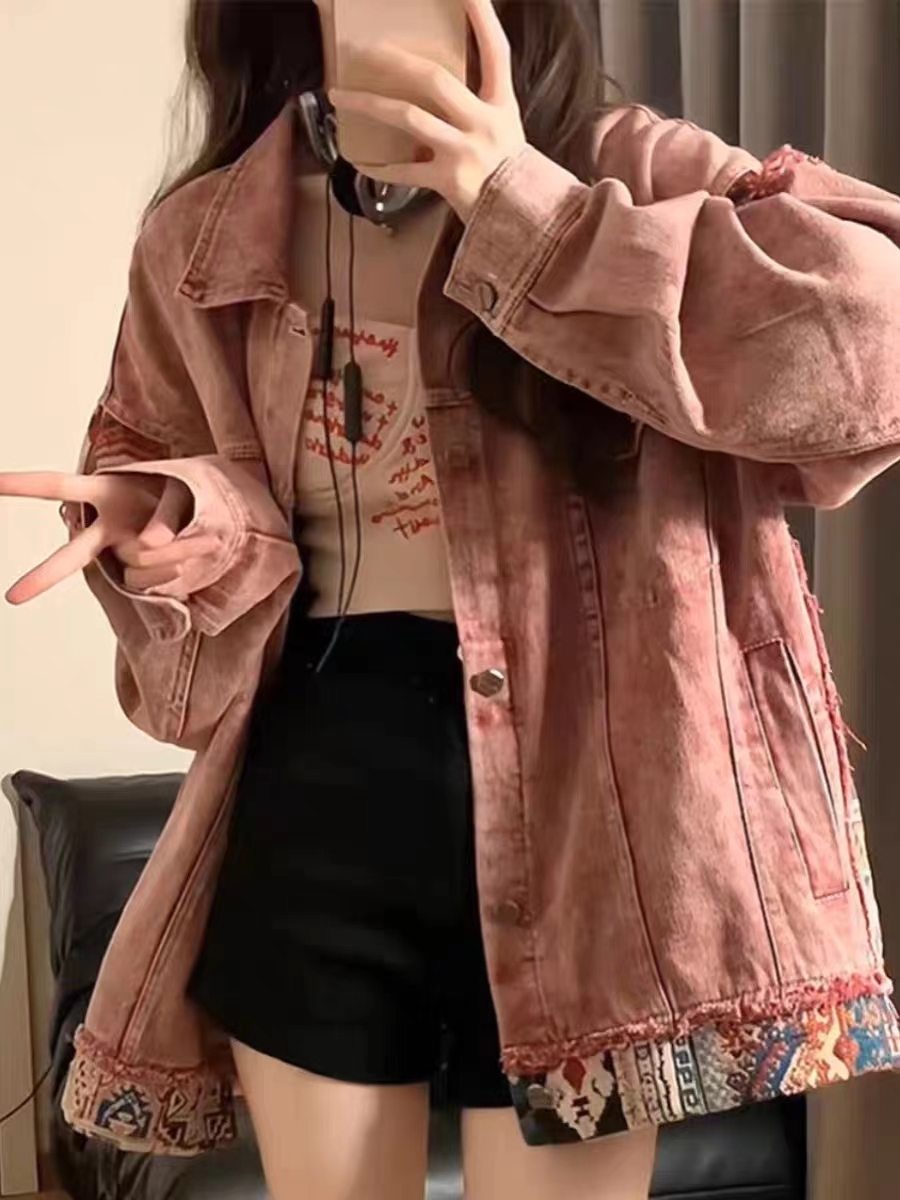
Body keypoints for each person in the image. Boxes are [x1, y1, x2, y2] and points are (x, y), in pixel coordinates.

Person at [4, 0, 900, 1196]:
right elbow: (181, 481)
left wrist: (521, 207)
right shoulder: (208, 235)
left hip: (596, 808)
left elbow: (873, 346)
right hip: (317, 778)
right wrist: (179, 513)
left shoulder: (630, 169)